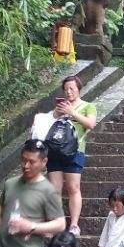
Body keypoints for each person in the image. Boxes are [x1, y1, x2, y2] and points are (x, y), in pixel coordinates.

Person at [43, 75, 97, 234]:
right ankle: (55, 223)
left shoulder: (88, 106)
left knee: (73, 188)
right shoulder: (61, 107)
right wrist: (58, 113)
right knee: (54, 189)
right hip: (55, 151)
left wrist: (72, 112)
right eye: (66, 89)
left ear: (79, 89)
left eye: (72, 88)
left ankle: (74, 224)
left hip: (75, 151)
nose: (69, 92)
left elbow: (91, 124)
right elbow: (49, 123)